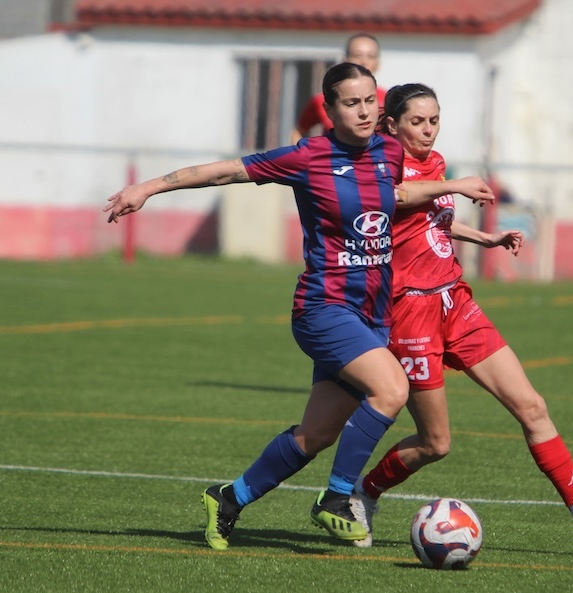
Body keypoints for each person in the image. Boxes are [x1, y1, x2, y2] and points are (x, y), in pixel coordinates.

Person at [103, 63, 496, 550]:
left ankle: (228, 498)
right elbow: (224, 171)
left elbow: (395, 197)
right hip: (324, 308)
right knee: (392, 388)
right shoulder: (308, 156)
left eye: (370, 101)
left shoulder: (389, 149)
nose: (364, 111)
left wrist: (451, 188)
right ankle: (336, 499)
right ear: (329, 111)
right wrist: (148, 188)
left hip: (373, 313)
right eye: (351, 103)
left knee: (316, 435)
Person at [322, 83, 573, 548]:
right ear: (392, 125)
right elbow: (398, 198)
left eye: (434, 120)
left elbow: (433, 218)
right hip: (410, 312)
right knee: (436, 443)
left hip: (454, 300)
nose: (428, 130)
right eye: (417, 122)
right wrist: (453, 185)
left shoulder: (435, 162)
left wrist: (484, 238)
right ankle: (362, 494)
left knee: (531, 406)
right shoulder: (379, 162)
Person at [291, 33, 386, 143]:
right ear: (345, 60)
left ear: (378, 63)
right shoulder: (322, 100)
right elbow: (299, 131)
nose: (364, 61)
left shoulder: (388, 99)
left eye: (370, 56)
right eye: (357, 55)